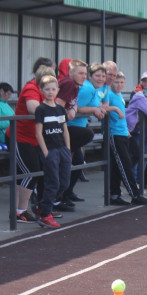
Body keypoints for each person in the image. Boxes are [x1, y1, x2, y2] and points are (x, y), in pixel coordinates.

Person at [9, 57, 55, 223]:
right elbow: (33, 107)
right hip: (20, 136)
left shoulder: (46, 91)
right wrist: (52, 110)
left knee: (29, 173)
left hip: (34, 138)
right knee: (31, 172)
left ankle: (20, 209)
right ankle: (19, 210)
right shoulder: (31, 88)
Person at [106, 71, 147, 206]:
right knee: (123, 164)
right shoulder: (109, 94)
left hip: (123, 132)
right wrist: (115, 109)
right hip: (115, 134)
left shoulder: (119, 95)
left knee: (132, 157)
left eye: (121, 82)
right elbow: (103, 107)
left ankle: (115, 194)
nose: (119, 85)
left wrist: (126, 129)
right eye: (116, 82)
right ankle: (135, 194)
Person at [33, 74, 71, 229]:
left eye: (53, 89)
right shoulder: (41, 109)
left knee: (64, 182)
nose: (50, 92)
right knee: (52, 182)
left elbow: (65, 130)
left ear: (57, 91)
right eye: (47, 89)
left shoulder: (60, 109)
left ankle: (42, 205)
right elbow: (38, 133)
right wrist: (46, 152)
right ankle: (45, 214)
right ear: (42, 90)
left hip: (62, 149)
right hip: (50, 150)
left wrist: (68, 148)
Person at [57, 59, 91, 205]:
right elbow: (57, 107)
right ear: (71, 72)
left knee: (77, 161)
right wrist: (67, 113)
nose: (84, 76)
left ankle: (65, 194)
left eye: (85, 73)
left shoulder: (76, 86)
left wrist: (71, 109)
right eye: (80, 73)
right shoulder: (69, 83)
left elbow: (73, 106)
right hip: (58, 129)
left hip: (65, 127)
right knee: (87, 134)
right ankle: (57, 197)